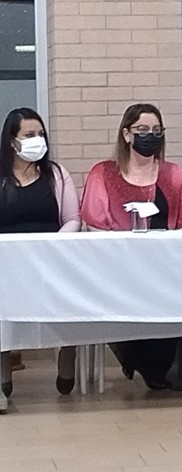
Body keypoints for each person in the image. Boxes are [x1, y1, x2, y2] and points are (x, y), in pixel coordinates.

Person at [80, 103, 182, 390]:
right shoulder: (103, 173)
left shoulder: (174, 175)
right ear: (127, 134)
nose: (150, 136)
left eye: (156, 131)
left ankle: (162, 367)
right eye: (142, 130)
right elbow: (95, 225)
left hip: (166, 270)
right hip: (118, 270)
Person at [0, 107, 81, 397]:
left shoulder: (57, 175)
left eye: (41, 135)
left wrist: (54, 246)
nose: (38, 140)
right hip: (7, 264)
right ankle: (4, 365)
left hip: (52, 259)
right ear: (12, 141)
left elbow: (73, 219)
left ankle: (67, 355)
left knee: (70, 298)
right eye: (29, 135)